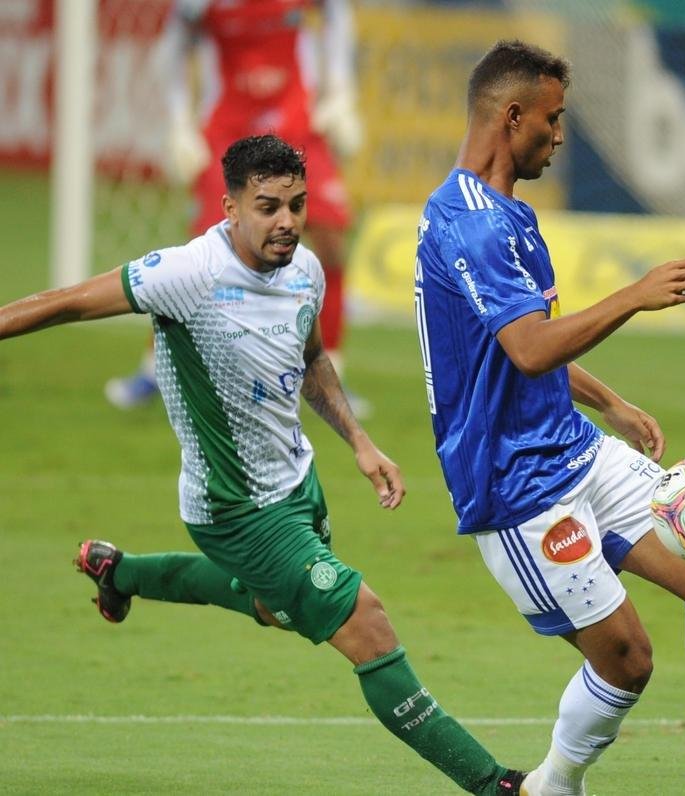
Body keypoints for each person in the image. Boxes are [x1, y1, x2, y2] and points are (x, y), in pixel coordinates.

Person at [1, 135, 524, 795]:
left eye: (297, 205)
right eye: (268, 206)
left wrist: (359, 444)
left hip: (297, 487)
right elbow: (69, 301)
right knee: (365, 622)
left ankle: (119, 572)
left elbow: (311, 360)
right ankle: (495, 784)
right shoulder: (185, 274)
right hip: (235, 510)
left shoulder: (306, 268)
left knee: (276, 610)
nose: (286, 221)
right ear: (230, 208)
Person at [414, 40, 685, 796]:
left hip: (577, 451)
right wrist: (632, 295)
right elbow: (525, 348)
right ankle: (555, 784)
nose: (558, 133)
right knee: (627, 660)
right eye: (553, 119)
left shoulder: (505, 214)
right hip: (516, 488)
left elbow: (520, 347)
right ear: (512, 117)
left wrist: (610, 403)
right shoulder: (470, 225)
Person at [106, 0, 369, 417]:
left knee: (332, 242)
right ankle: (155, 368)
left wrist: (340, 92)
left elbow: (338, 14)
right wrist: (178, 122)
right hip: (228, 128)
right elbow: (176, 45)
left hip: (295, 122)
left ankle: (327, 372)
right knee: (201, 257)